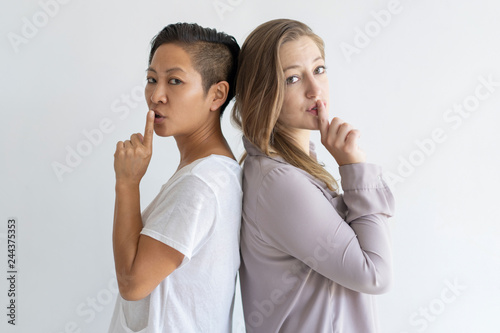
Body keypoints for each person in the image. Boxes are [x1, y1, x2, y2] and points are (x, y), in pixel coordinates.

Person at [232, 19, 395, 333]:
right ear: (262, 92)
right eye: (293, 78)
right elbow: (376, 274)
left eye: (319, 69)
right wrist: (355, 168)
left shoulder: (293, 169)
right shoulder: (279, 182)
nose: (315, 89)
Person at [108, 23, 241, 333]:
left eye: (175, 81)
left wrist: (127, 184)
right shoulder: (208, 173)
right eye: (151, 79)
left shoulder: (202, 183)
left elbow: (132, 283)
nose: (156, 95)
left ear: (216, 94)